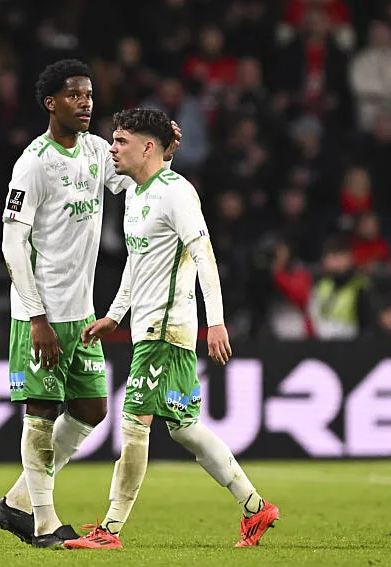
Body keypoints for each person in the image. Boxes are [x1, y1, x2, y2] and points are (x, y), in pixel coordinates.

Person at [63, 109, 278, 550]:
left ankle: (111, 530)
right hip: (148, 326)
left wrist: (215, 321)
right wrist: (115, 315)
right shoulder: (138, 194)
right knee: (183, 428)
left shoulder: (177, 194)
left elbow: (204, 255)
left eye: (120, 141)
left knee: (133, 426)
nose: (112, 149)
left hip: (165, 330)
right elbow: (135, 264)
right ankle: (256, 508)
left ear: (147, 147)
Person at [0, 60, 182, 548]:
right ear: (51, 102)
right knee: (39, 415)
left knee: (93, 409)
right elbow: (13, 244)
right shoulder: (33, 163)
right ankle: (44, 524)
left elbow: (140, 178)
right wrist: (36, 317)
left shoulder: (98, 151)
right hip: (42, 316)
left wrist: (163, 151)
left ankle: (16, 503)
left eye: (90, 95)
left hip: (82, 314)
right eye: (75, 95)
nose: (86, 103)